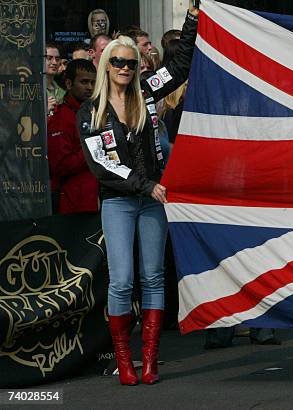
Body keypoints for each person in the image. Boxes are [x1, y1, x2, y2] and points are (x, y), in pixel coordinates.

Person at [77, 5, 199, 385]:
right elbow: (103, 166)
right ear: (106, 65)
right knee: (122, 280)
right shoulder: (90, 111)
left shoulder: (146, 90)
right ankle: (124, 361)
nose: (126, 68)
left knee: (153, 277)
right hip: (118, 201)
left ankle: (150, 361)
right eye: (118, 62)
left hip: (151, 200)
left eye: (131, 63)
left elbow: (179, 68)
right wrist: (147, 185)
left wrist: (192, 22)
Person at [47, 59, 98, 214]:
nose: (89, 87)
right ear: (69, 84)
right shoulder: (61, 118)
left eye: (93, 83)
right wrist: (95, 148)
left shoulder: (96, 113)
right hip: (72, 204)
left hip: (96, 200)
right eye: (84, 82)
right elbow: (61, 165)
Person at [45, 42, 66, 115]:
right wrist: (44, 111)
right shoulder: (34, 90)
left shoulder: (63, 92)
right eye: (49, 58)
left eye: (57, 59)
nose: (54, 62)